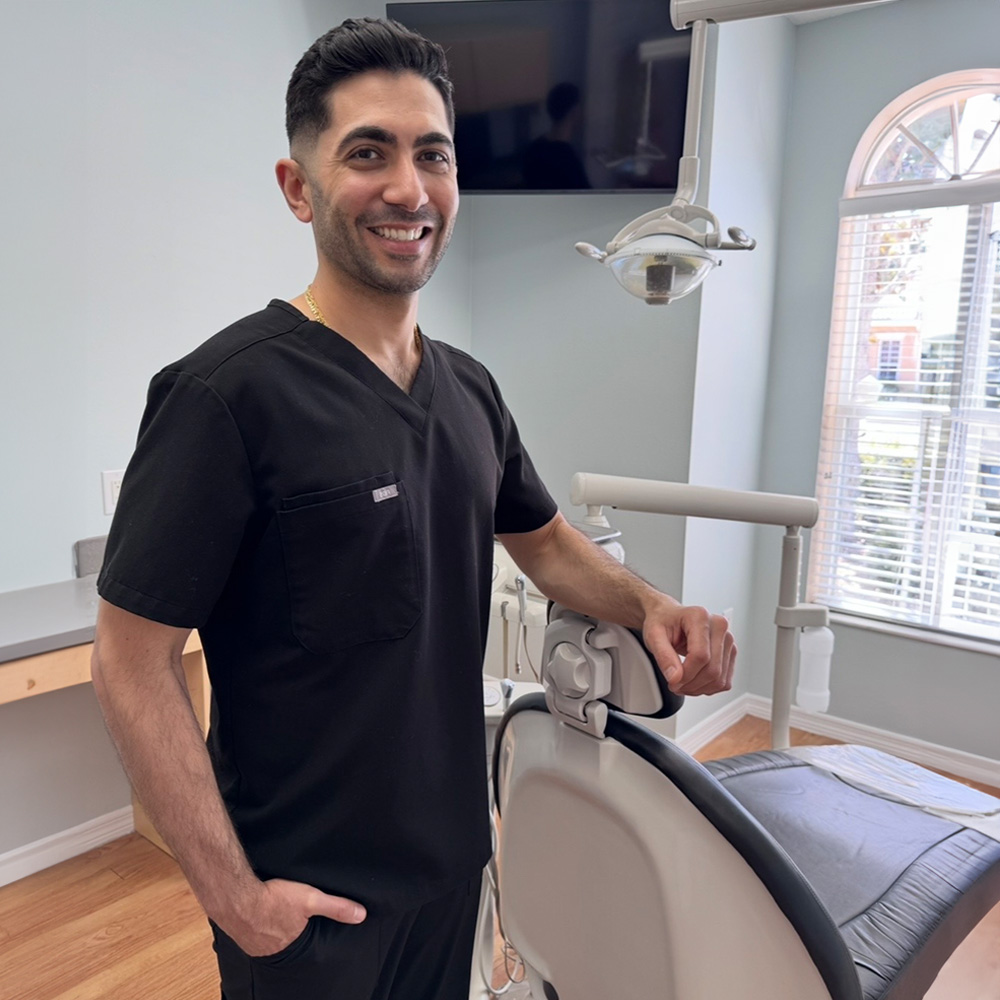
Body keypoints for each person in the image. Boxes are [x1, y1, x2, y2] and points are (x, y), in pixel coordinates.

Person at [91, 17, 736, 1000]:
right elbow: (129, 663)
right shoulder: (226, 397)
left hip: (452, 870)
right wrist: (238, 901)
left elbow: (547, 542)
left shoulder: (469, 389)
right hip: (307, 913)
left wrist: (647, 607)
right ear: (297, 186)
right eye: (367, 153)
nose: (408, 186)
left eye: (431, 154)